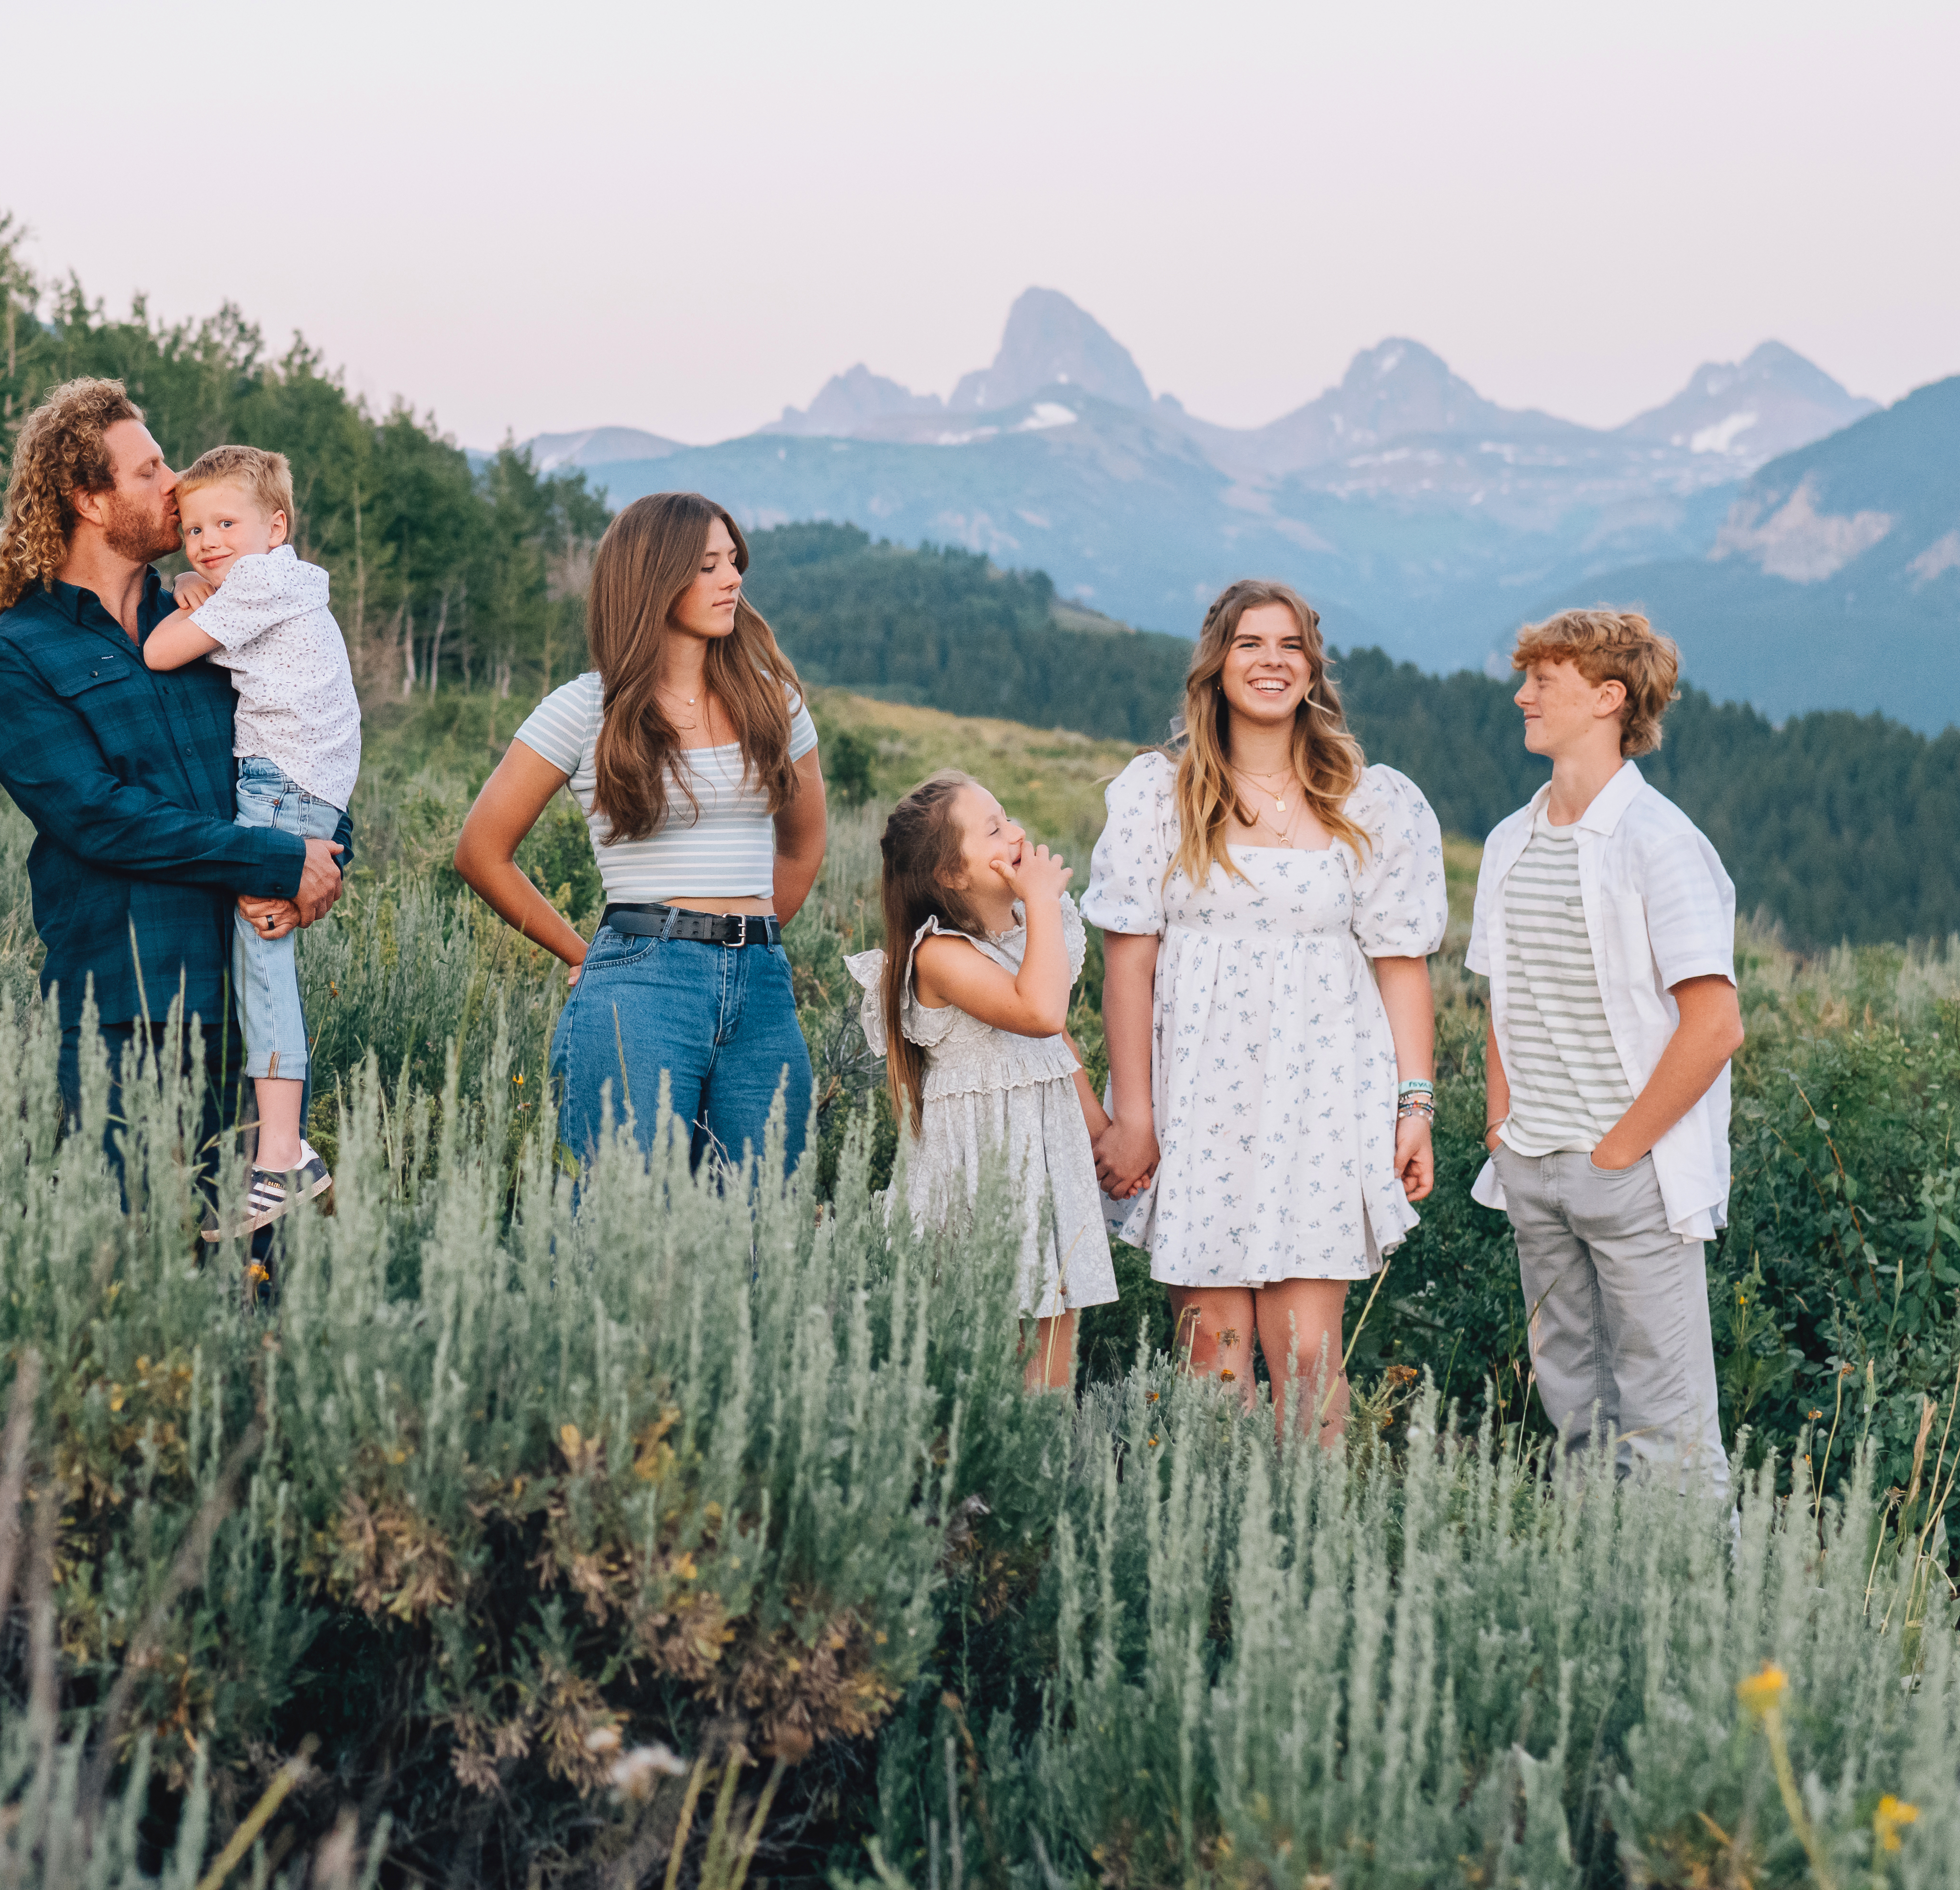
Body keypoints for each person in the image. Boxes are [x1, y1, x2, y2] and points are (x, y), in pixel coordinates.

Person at [0, 378, 351, 1185]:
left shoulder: (217, 618)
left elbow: (305, 733)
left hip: (247, 1006)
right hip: (124, 1014)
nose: (174, 483)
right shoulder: (18, 657)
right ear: (91, 501)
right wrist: (275, 861)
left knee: (258, 1277)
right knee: (139, 1267)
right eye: (149, 469)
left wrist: (324, 853)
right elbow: (101, 819)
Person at [1082, 580, 1444, 1435]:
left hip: (1321, 1105)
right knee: (1212, 1357)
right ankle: (1221, 1559)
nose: (1272, 660)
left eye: (1289, 644)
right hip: (1199, 1101)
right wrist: (1133, 1113)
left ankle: (1310, 1558)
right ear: (1216, 664)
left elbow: (1402, 967)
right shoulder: (1160, 797)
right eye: (1250, 643)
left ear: (1313, 669)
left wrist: (1416, 1104)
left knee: (1310, 1356)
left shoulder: (1368, 800)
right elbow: (1126, 969)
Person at [454, 492, 827, 1174]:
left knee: (763, 1235)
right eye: (708, 564)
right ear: (655, 578)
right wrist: (584, 953)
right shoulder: (582, 709)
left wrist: (748, 942)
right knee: (618, 1226)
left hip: (764, 992)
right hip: (642, 984)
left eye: (734, 560)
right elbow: (481, 851)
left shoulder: (775, 702)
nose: (733, 578)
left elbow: (804, 846)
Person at [1466, 606, 1745, 1500]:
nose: (1523, 696)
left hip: (1630, 1176)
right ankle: (1605, 1612)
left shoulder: (1660, 844)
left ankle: (1700, 1621)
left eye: (1544, 680)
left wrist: (1620, 1152)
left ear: (1609, 696)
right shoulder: (1511, 841)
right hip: (1533, 1170)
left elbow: (1716, 1024)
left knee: (1670, 1432)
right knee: (1577, 1419)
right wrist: (1503, 1127)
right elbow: (1498, 999)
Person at [141, 444, 363, 1234]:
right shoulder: (286, 583)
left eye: (224, 522)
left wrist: (189, 603)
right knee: (262, 956)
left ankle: (280, 1155)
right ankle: (279, 1145)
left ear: (276, 526)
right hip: (309, 790)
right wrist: (205, 592)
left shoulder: (263, 581)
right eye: (192, 527)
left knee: (263, 964)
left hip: (280, 787)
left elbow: (159, 650)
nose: (204, 542)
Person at [849, 771, 1118, 1390]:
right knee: (994, 1331)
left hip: (1044, 1162)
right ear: (951, 875)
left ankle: (1039, 1462)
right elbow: (1040, 1010)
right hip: (983, 1168)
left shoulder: (1025, 934)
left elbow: (1054, 1039)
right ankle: (981, 1466)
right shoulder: (938, 955)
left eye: (1008, 816)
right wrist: (1045, 902)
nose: (1017, 832)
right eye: (994, 828)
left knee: (1056, 1316)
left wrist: (1099, 1129)